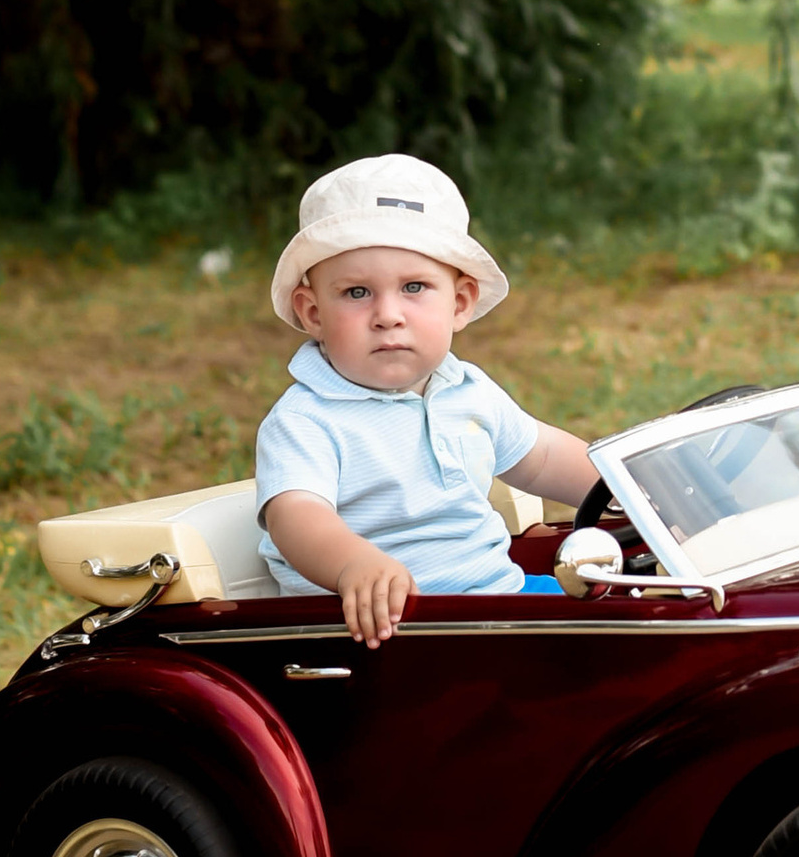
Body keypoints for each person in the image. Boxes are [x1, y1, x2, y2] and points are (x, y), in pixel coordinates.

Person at [255, 152, 601, 643]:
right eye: (357, 293)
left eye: (414, 287)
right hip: (386, 630)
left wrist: (636, 490)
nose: (387, 314)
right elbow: (296, 516)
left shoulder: (469, 391)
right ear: (312, 313)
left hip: (495, 598)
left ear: (460, 303)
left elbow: (544, 458)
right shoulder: (307, 418)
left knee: (645, 607)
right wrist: (353, 563)